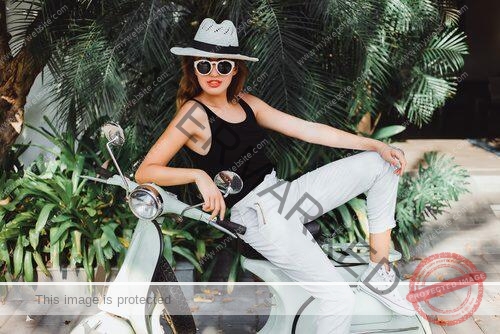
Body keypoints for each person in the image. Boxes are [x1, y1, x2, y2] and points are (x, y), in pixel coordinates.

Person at [135, 17, 415, 334]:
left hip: (285, 195)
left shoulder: (247, 104)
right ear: (193, 68)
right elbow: (147, 170)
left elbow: (308, 130)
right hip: (259, 217)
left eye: (223, 66)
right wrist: (198, 175)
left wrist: (375, 144)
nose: (214, 74)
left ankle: (379, 269)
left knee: (381, 165)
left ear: (235, 69)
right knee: (338, 299)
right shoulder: (193, 114)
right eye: (204, 65)